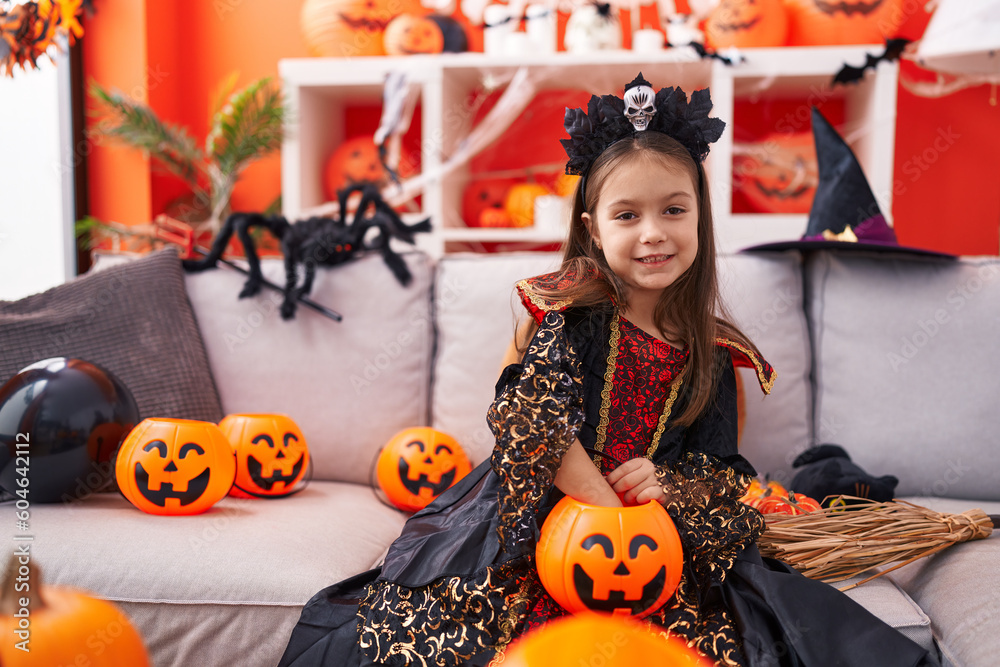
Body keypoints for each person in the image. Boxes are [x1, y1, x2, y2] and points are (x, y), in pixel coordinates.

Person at [278, 74, 930, 667]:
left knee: (730, 632)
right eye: (627, 215)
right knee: (463, 630)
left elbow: (721, 469)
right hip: (545, 515)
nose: (653, 233)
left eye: (673, 210)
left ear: (700, 215)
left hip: (651, 534)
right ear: (593, 228)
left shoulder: (710, 350)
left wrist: (668, 484)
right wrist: (601, 504)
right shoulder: (574, 315)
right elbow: (531, 418)